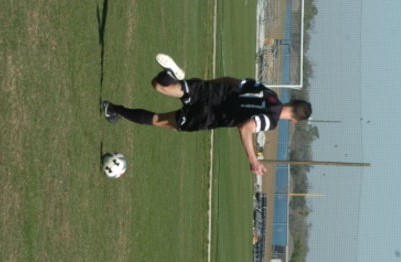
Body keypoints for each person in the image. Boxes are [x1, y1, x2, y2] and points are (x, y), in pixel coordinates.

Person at [101, 54, 312, 175]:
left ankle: (170, 75)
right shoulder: (271, 120)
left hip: (212, 92)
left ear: (291, 102)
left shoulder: (269, 93)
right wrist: (253, 160)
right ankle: (112, 108)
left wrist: (208, 85)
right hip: (209, 115)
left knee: (160, 85)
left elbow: (234, 81)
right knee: (158, 120)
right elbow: (246, 127)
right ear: (294, 120)